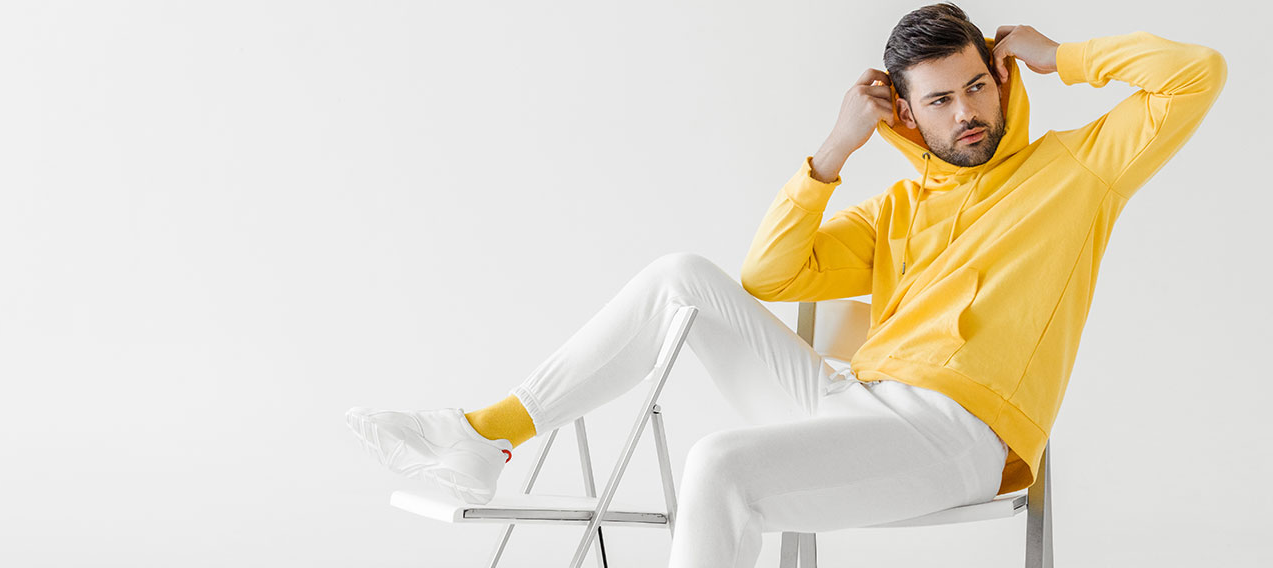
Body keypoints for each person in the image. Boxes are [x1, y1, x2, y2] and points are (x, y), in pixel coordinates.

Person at [346, 3, 1227, 566]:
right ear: (907, 114)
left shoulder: (1074, 171)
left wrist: (1060, 54)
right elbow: (768, 274)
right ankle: (488, 435)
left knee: (716, 464)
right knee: (681, 277)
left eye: (975, 88)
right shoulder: (898, 209)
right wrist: (834, 149)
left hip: (958, 434)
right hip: (853, 403)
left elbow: (1197, 74)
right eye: (939, 101)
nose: (967, 113)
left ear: (999, 80)